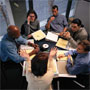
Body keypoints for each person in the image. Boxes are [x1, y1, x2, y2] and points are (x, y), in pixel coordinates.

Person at [0, 25, 39, 89]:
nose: (19, 35)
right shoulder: (7, 45)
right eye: (17, 35)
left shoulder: (10, 35)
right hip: (8, 61)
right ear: (13, 36)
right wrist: (33, 52)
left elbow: (21, 39)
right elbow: (17, 59)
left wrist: (31, 44)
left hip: (15, 52)